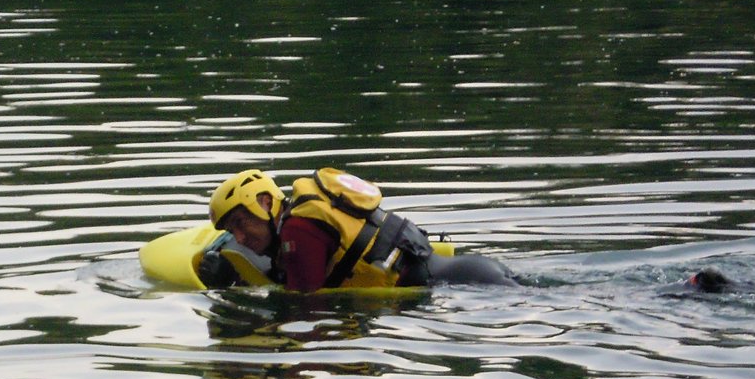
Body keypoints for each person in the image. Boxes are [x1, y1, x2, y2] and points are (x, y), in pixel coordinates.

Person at [196, 167, 519, 291]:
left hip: (464, 286)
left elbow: (304, 309)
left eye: (241, 222)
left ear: (265, 202)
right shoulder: (303, 220)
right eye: (230, 229)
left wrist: (229, 292)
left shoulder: (298, 231)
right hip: (472, 271)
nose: (239, 237)